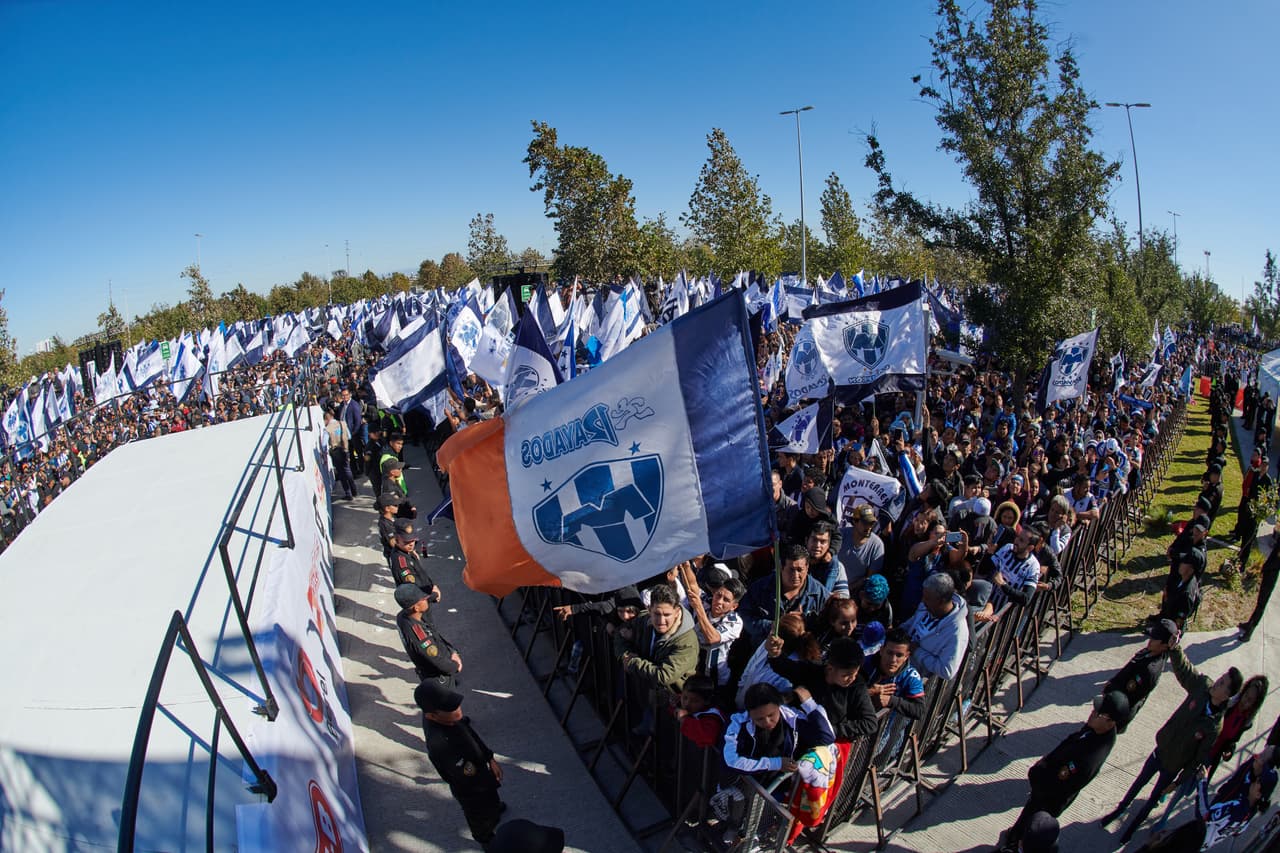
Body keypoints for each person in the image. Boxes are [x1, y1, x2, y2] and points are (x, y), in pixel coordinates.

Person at [1102, 644, 1242, 845]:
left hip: (1173, 766)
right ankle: (1120, 809)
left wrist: (1177, 782)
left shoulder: (1214, 726)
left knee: (1152, 800)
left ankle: (1130, 829)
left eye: (1222, 684)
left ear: (1227, 695)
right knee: (1138, 782)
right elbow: (1185, 671)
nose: (1217, 682)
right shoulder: (1202, 686)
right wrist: (1175, 649)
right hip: (1161, 749)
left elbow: (1198, 759)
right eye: (1220, 679)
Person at [997, 691, 1130, 853]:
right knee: (1025, 818)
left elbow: (1059, 783)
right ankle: (1014, 836)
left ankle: (1013, 845)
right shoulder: (1097, 729)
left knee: (1029, 828)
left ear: (1110, 722)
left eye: (1098, 713)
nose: (1093, 713)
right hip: (1044, 791)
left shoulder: (1088, 758)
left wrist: (1037, 779)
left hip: (1047, 798)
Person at [414, 679, 505, 845]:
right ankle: (485, 837)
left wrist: (489, 758)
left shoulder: (451, 719)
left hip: (482, 774)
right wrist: (489, 780)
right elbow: (467, 775)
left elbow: (472, 735)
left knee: (491, 801)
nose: (458, 710)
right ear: (431, 716)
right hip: (471, 788)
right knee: (478, 814)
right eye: (450, 709)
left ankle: (494, 809)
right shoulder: (439, 743)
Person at [614, 582, 699, 693]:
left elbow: (664, 675)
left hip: (670, 701)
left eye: (667, 615)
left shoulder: (686, 642)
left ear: (677, 612)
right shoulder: (644, 621)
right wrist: (625, 654)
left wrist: (632, 662)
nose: (661, 621)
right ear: (649, 610)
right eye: (657, 614)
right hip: (643, 693)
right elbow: (619, 633)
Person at [739, 545, 830, 647]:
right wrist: (774, 626)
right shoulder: (760, 588)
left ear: (807, 567)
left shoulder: (820, 594)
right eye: (791, 569)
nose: (796, 575)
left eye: (800, 570)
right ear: (781, 567)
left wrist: (804, 624)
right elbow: (744, 617)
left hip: (801, 653)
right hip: (763, 651)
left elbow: (827, 626)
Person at [677, 561, 745, 691]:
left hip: (716, 679)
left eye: (726, 600)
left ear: (734, 606)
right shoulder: (706, 602)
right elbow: (692, 586)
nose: (719, 601)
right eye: (718, 595)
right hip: (693, 670)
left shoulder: (735, 621)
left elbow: (712, 637)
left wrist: (698, 609)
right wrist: (685, 565)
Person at [1103, 619, 1177, 733]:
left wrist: (1111, 695)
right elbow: (1129, 668)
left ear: (1164, 645)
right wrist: (1113, 682)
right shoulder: (1150, 651)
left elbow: (1130, 697)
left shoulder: (1149, 671)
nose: (1150, 640)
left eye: (1154, 638)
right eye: (1151, 636)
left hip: (1119, 709)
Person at [901, 572, 969, 680]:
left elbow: (947, 671)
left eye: (927, 598)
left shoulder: (956, 632)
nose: (923, 600)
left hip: (915, 677)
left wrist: (917, 651)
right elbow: (912, 622)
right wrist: (898, 632)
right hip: (899, 662)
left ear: (941, 601)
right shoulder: (927, 606)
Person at [394, 583, 462, 688]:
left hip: (433, 670)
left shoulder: (403, 616)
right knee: (448, 701)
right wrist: (455, 666)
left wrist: (434, 595)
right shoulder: (420, 636)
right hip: (439, 679)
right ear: (416, 607)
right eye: (424, 599)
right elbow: (437, 661)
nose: (427, 599)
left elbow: (435, 635)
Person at [1238, 539, 1280, 642]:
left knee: (1262, 603)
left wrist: (1267, 568)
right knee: (1259, 602)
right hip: (1270, 569)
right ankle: (1249, 624)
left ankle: (1250, 631)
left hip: (1272, 572)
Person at [837, 504, 885, 585]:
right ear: (854, 521)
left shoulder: (877, 545)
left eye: (871, 523)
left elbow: (870, 578)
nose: (869, 527)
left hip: (856, 591)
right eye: (865, 523)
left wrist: (849, 589)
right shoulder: (840, 535)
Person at [322, 407, 356, 500]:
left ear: (326, 419)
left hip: (336, 451)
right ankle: (354, 490)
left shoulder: (327, 429)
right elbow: (348, 436)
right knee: (348, 470)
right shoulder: (343, 423)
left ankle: (348, 494)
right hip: (345, 449)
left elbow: (323, 444)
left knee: (341, 473)